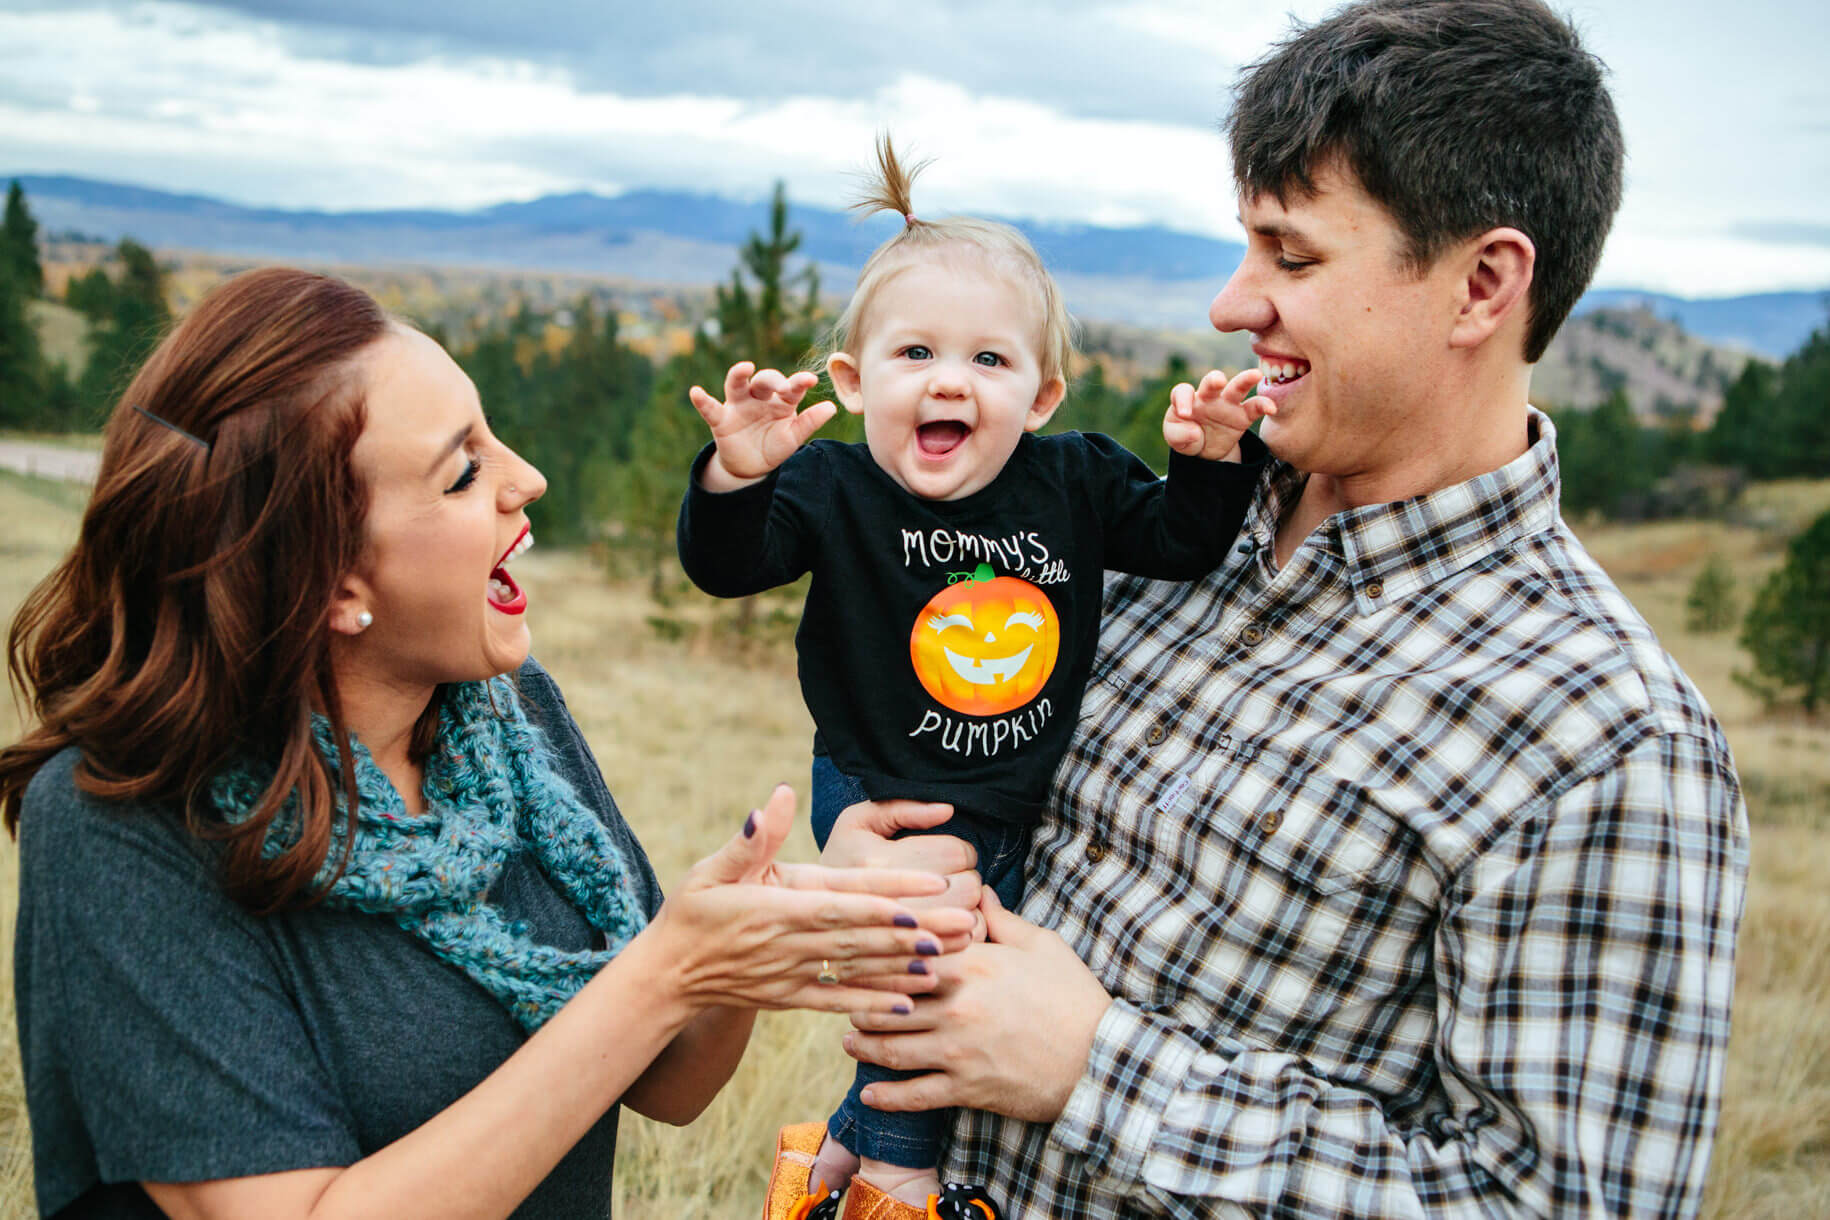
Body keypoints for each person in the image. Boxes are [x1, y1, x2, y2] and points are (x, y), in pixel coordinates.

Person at [821, 2, 1751, 1216]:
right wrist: (871, 856)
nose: (1230, 301)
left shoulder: (1604, 742)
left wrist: (1096, 1067)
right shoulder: (1148, 531)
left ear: (1482, 284)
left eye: (1292, 257)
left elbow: (1555, 1202)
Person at [1, 267, 977, 1220]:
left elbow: (667, 1084)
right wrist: (663, 973)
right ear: (329, 577)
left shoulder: (505, 716)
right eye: (464, 470)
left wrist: (736, 939)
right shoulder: (120, 827)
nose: (529, 479)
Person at [675, 137, 1270, 1215]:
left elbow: (1182, 541)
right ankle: (902, 1180)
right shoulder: (831, 486)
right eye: (916, 355)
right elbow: (728, 565)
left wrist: (1213, 460)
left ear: (1040, 396)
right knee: (925, 951)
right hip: (876, 782)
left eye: (989, 363)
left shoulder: (1074, 480)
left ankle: (833, 1165)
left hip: (1012, 797)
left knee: (960, 980)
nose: (951, 379)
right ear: (855, 384)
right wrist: (734, 476)